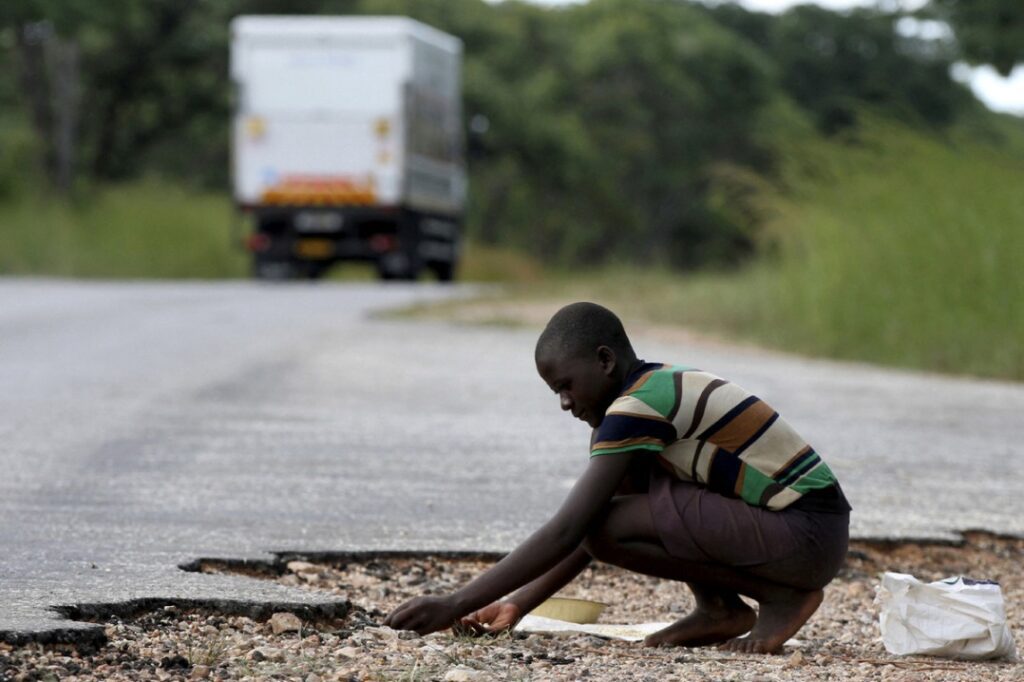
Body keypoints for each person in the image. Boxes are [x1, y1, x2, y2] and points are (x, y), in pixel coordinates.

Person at [385, 302, 851, 653]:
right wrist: (517, 605)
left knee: (606, 524)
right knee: (620, 504)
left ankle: (779, 597)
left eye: (566, 385)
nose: (564, 403)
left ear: (605, 361)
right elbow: (585, 528)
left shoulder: (638, 407)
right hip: (804, 535)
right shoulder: (639, 400)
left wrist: (456, 602)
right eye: (555, 393)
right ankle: (721, 609)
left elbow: (572, 528)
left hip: (804, 535)